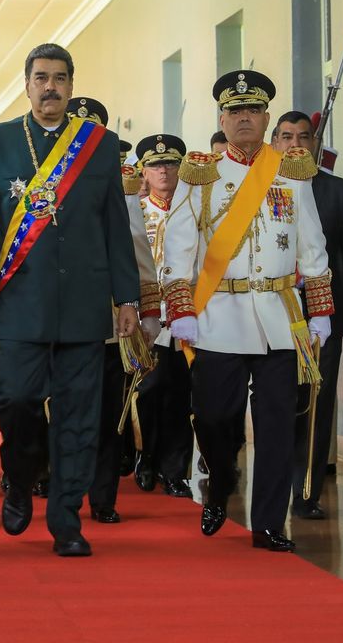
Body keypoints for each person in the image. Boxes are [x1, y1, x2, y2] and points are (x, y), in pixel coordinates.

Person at [0, 44, 140, 557]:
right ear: (27, 83)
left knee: (80, 417)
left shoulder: (101, 146)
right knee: (15, 401)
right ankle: (19, 478)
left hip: (84, 305)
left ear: (71, 84)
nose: (51, 87)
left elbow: (115, 228)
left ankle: (67, 521)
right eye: (41, 77)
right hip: (20, 304)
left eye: (60, 78)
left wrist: (127, 296)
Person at [162, 70, 333, 553]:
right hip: (218, 315)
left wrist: (319, 311)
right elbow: (178, 249)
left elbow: (313, 245)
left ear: (265, 119)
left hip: (280, 317)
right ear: (222, 118)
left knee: (279, 424)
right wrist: (182, 309)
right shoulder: (202, 173)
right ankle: (220, 478)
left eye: (252, 111)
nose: (243, 119)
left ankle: (268, 524)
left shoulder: (291, 171)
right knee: (216, 419)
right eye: (234, 112)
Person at [270, 111, 343, 520]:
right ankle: (275, 486)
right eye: (286, 136)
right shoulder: (259, 187)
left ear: (315, 143)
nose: (295, 143)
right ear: (274, 142)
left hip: (323, 314)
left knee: (317, 400)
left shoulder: (335, 190)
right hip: (273, 312)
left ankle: (307, 492)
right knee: (278, 400)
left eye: (304, 136)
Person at [62, 98, 161, 524]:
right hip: (58, 322)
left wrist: (147, 313)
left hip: (108, 327)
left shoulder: (121, 189)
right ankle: (59, 485)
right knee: (60, 410)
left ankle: (102, 497)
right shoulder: (47, 186)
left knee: (106, 416)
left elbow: (137, 256)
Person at [136, 133, 195, 499]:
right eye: (156, 165)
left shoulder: (194, 209)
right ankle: (146, 457)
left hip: (187, 318)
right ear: (144, 171)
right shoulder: (137, 213)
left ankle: (176, 471)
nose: (164, 170)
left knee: (181, 396)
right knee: (148, 392)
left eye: (171, 163)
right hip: (148, 318)